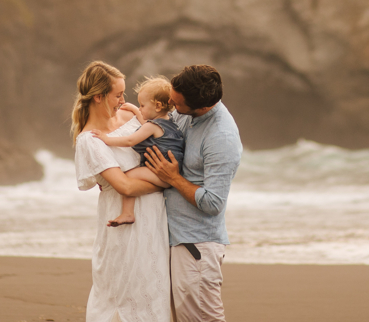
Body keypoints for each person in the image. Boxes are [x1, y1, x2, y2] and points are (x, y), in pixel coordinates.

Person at [72, 61, 171, 322]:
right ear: (98, 97)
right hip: (123, 224)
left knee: (154, 286)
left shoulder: (131, 116)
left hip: (154, 218)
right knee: (124, 291)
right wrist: (170, 180)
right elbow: (124, 186)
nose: (123, 100)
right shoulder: (89, 140)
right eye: (117, 95)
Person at [145, 64, 242, 322]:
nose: (172, 107)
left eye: (177, 104)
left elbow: (213, 202)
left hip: (196, 246)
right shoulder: (185, 113)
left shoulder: (222, 137)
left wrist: (174, 178)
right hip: (174, 239)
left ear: (202, 106)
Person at [93, 76, 186, 227]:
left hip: (162, 174)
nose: (140, 109)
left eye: (142, 105)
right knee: (132, 175)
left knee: (127, 175)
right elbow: (146, 125)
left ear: (157, 106)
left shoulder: (152, 127)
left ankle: (128, 213)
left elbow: (131, 140)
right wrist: (135, 109)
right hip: (172, 171)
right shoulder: (168, 121)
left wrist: (107, 139)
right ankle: (129, 211)